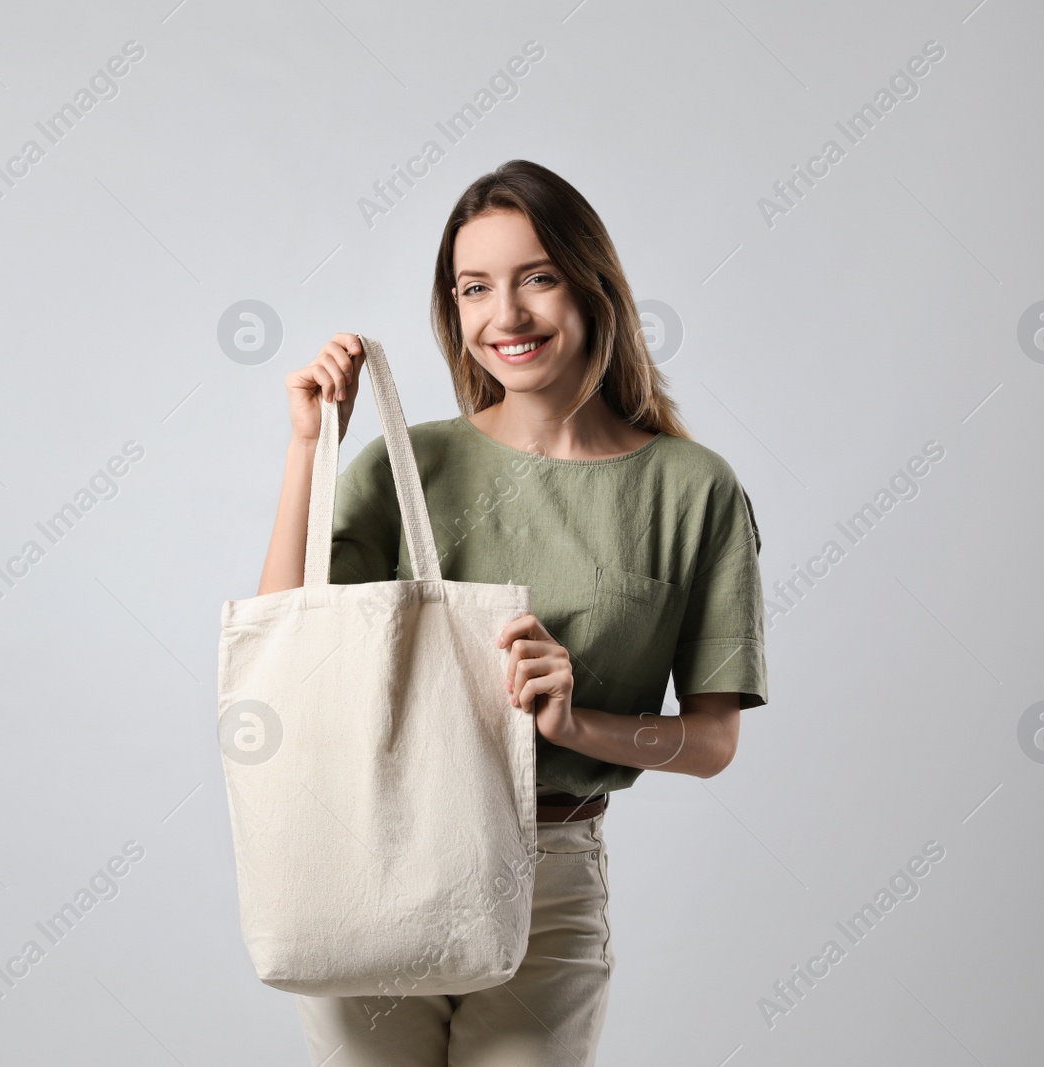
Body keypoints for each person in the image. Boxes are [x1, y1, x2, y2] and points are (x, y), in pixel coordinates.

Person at [256, 159, 768, 1066]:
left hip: (551, 874)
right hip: (374, 854)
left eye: (538, 276)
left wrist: (583, 723)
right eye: (474, 288)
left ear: (592, 284)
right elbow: (284, 638)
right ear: (453, 311)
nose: (508, 316)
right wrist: (309, 448)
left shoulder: (693, 491)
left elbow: (712, 742)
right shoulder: (406, 466)